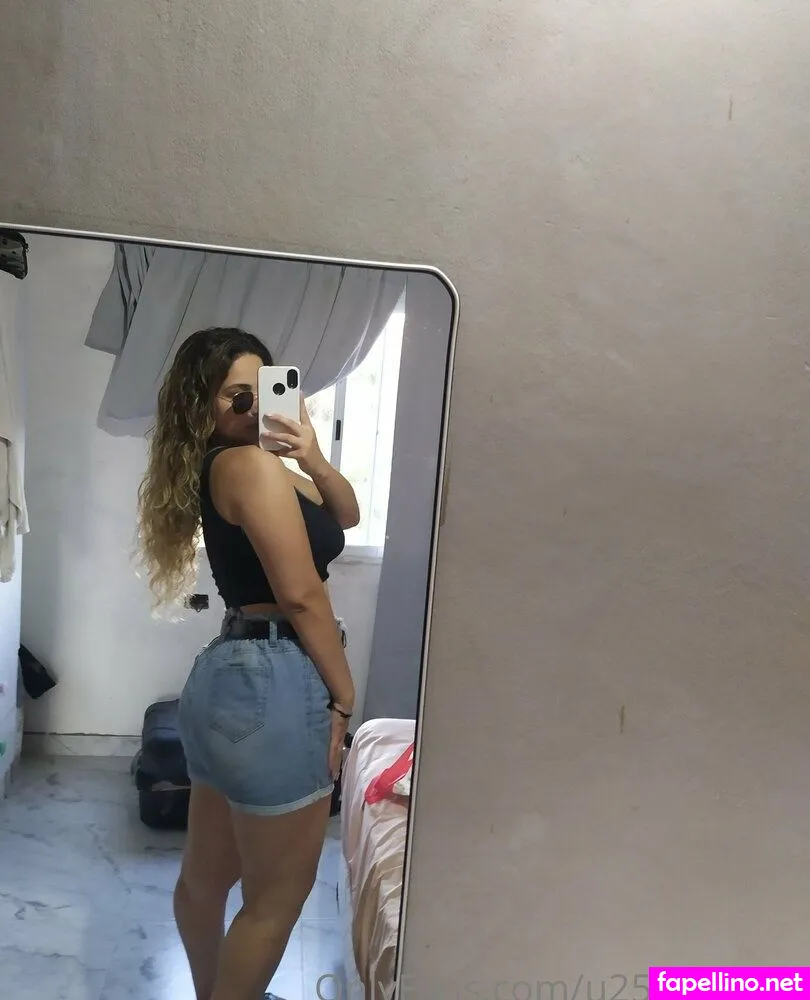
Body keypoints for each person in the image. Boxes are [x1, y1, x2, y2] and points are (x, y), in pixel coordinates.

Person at [136, 327, 359, 1000]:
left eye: (261, 391)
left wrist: (312, 454)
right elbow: (301, 595)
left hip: (228, 674)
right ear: (200, 404)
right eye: (236, 397)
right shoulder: (247, 467)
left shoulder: (253, 465)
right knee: (276, 899)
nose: (253, 407)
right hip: (277, 675)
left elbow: (345, 514)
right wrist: (344, 697)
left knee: (205, 878)